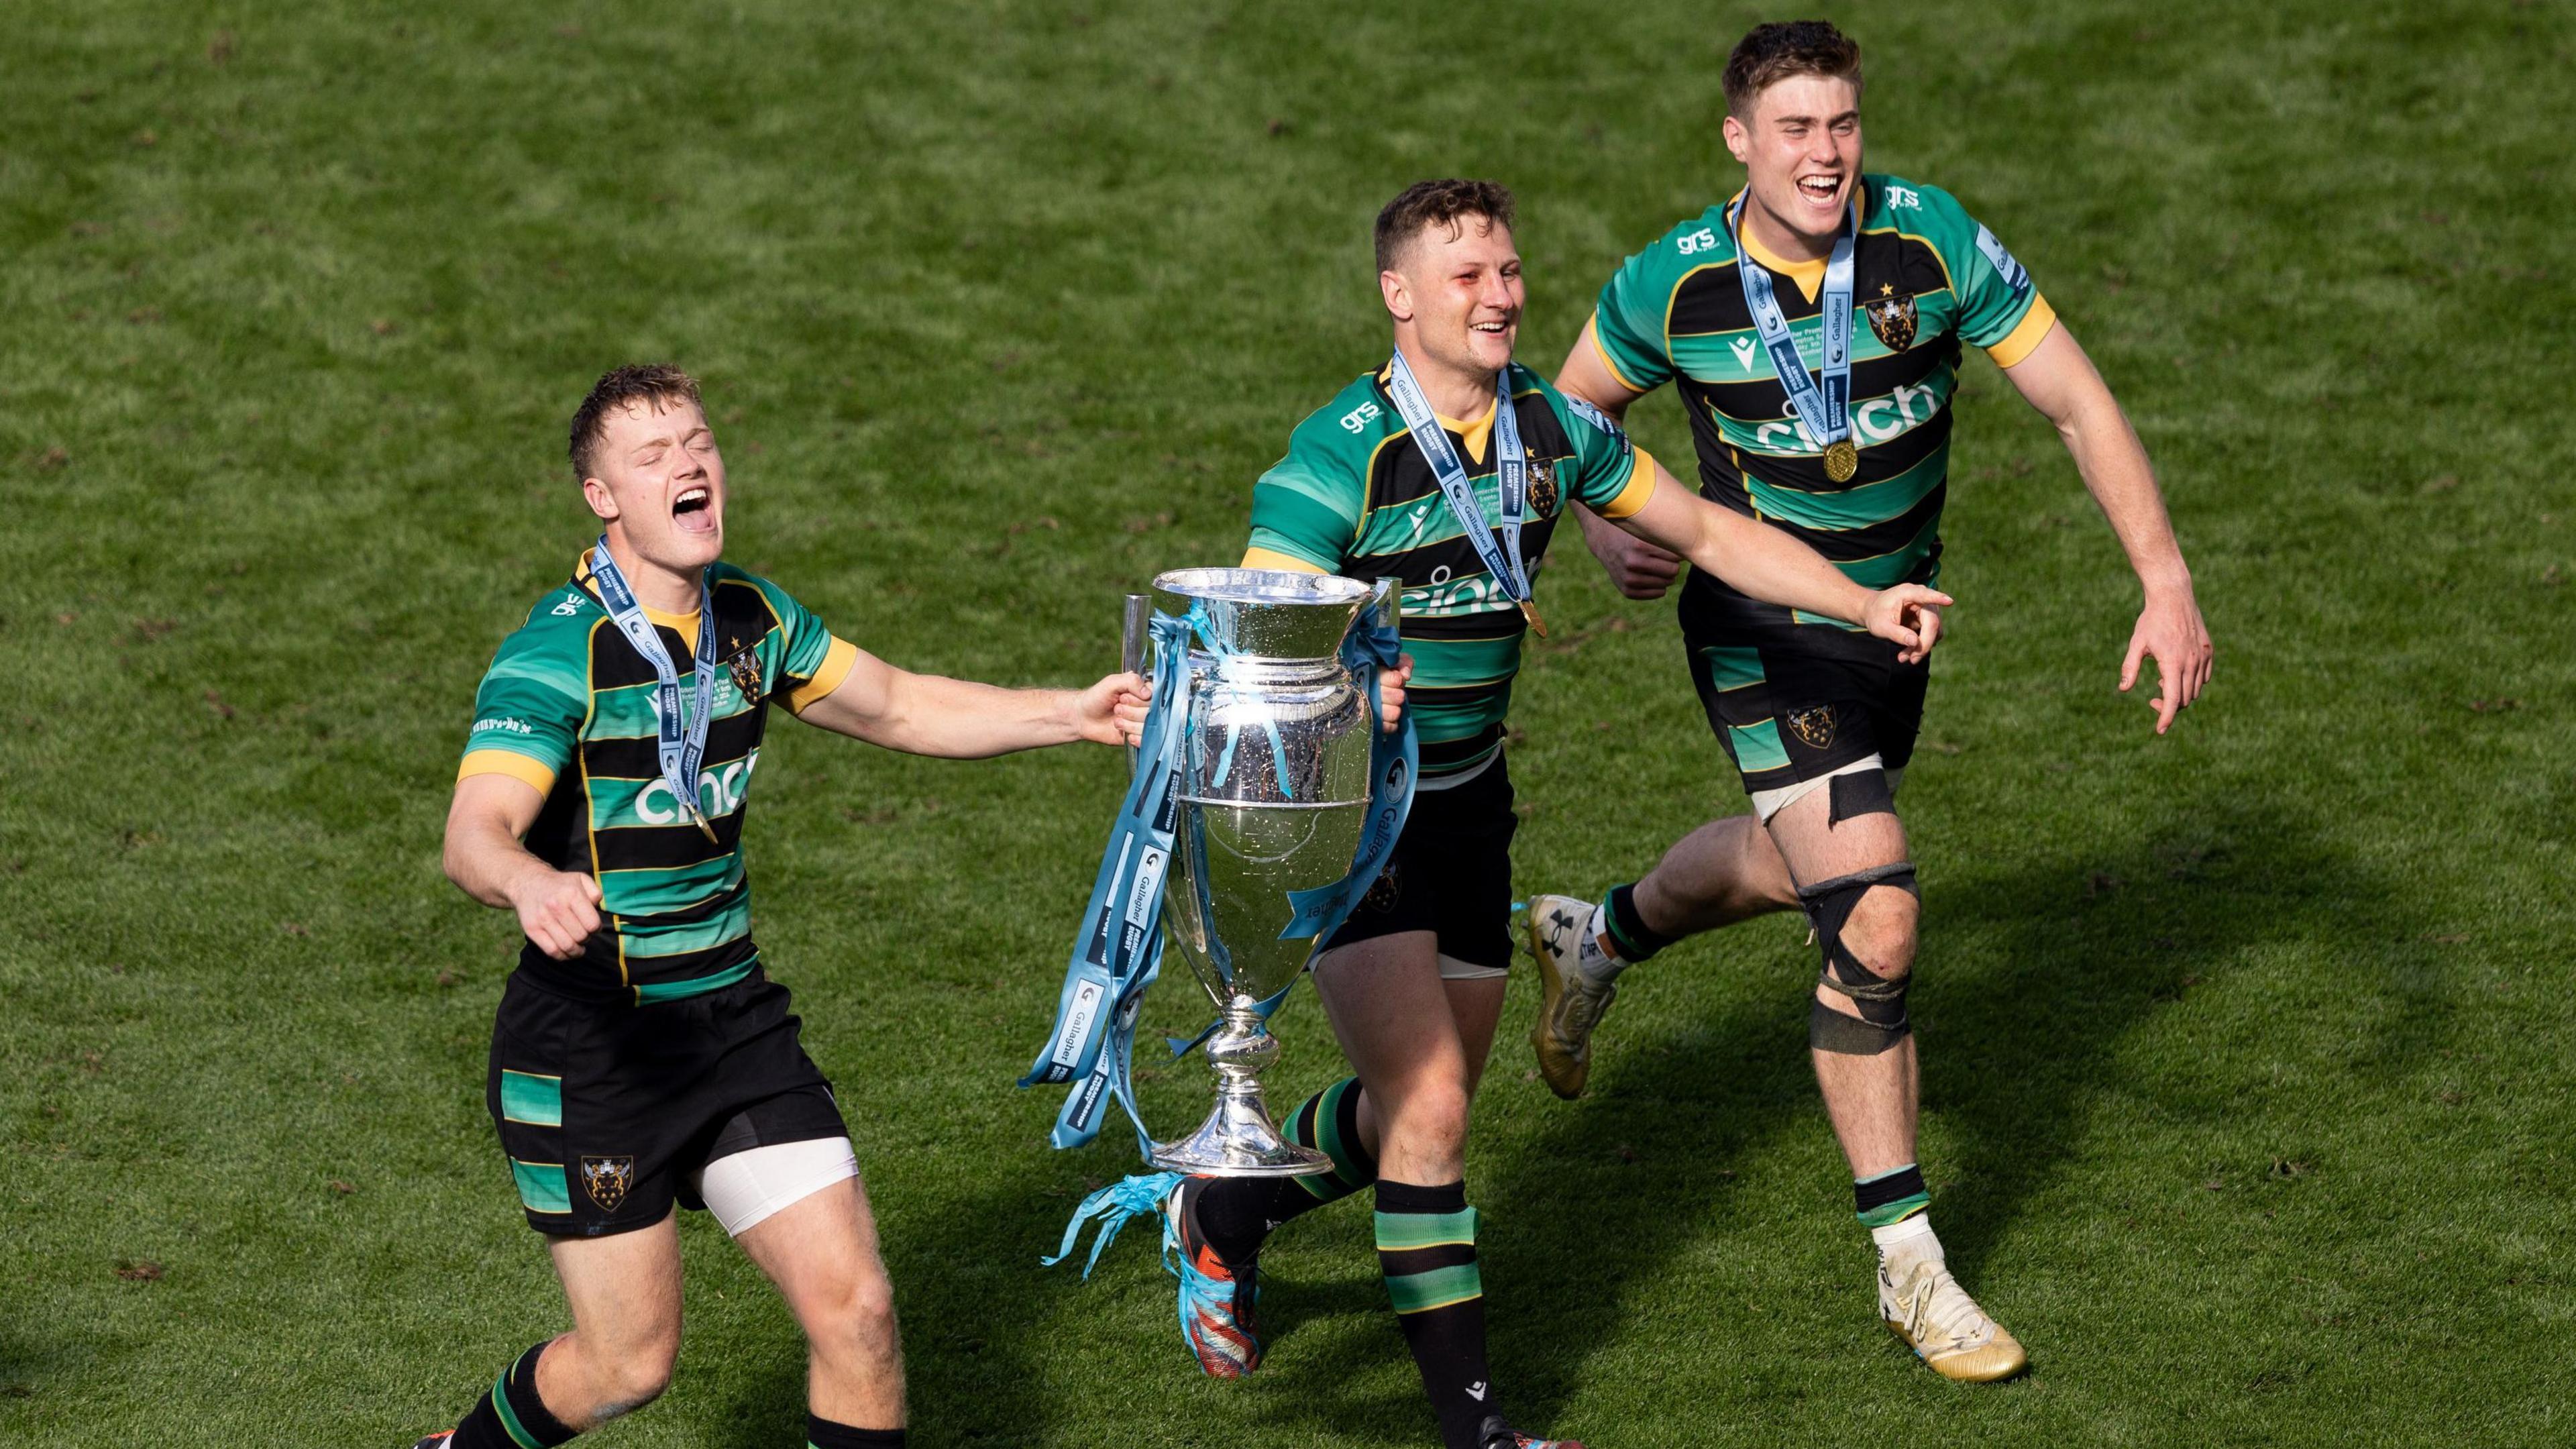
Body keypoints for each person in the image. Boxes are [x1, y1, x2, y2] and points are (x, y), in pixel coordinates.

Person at [1074, 179, 1950, 1449]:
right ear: (1400, 297)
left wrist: (1857, 604)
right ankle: (1479, 1433)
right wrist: (1344, 677)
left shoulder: (1546, 424)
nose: (1500, 296)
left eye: (1509, 271)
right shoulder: (1343, 454)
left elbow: (1703, 527)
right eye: (1468, 277)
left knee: (1413, 1116)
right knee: (1427, 1109)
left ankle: (1223, 1213)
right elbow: (1261, 627)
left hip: (1472, 804)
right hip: (1355, 822)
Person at [1527, 20, 2216, 1384]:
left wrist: (2167, 577)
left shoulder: (1933, 241)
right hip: (1759, 632)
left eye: (1842, 125)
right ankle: (1912, 1263)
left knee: (1810, 865)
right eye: (1795, 129)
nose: (1826, 153)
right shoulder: (1675, 282)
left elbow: (2077, 403)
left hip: (1896, 632)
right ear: (1739, 140)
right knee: (1877, 909)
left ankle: (1594, 938)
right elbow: (1559, 415)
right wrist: (1605, 531)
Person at [414, 364, 1147, 1449]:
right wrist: (529, 880)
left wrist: (1067, 715)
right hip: (595, 1049)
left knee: (859, 1312)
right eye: (654, 454)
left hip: (733, 1026)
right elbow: (472, 833)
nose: (691, 463)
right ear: (602, 498)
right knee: (628, 1364)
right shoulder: (559, 648)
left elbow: (895, 705)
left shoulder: (750, 618)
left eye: (699, 442)